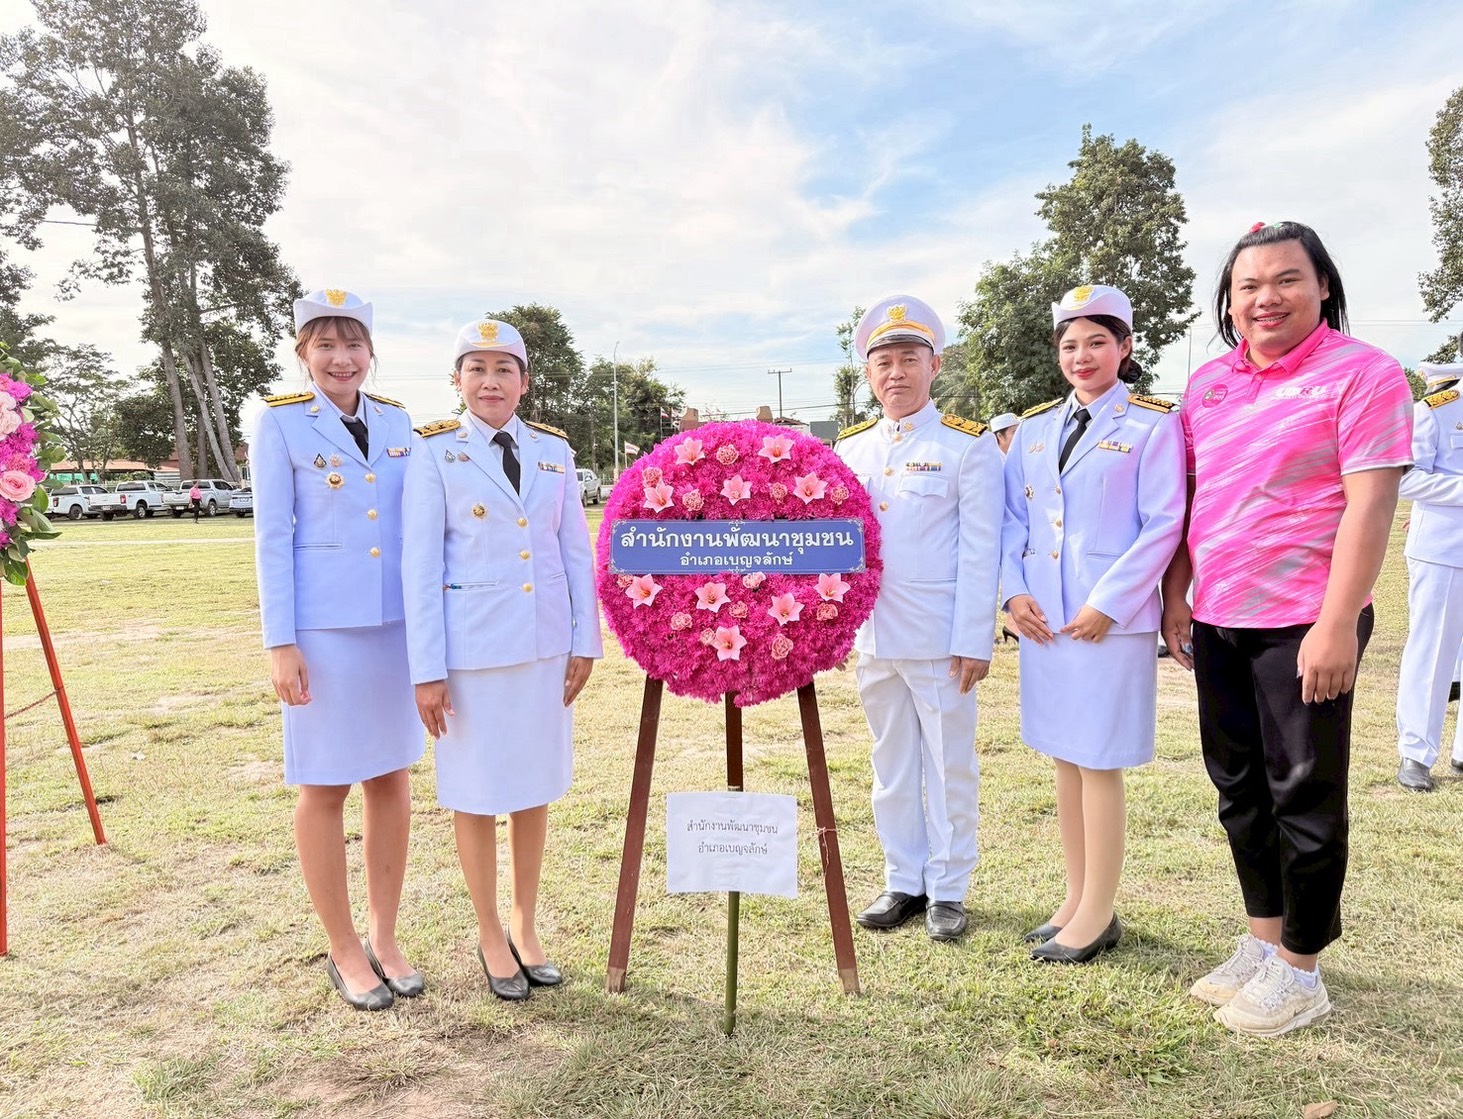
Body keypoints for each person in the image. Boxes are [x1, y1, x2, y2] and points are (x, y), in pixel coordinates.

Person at [1162, 222, 1413, 1036]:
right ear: (1229, 301)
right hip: (1218, 617)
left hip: (1305, 619)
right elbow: (1192, 499)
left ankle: (1301, 968)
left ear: (1322, 285)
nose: (1265, 298)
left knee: (1302, 791)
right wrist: (1176, 594)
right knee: (1237, 789)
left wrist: (1337, 621)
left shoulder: (1363, 373)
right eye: (1248, 286)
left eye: (1285, 279)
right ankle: (1263, 939)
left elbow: (1370, 504)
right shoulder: (1207, 385)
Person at [402, 318, 602, 1001]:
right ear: (457, 380)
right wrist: (427, 670)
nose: (490, 381)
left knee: (533, 785)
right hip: (472, 654)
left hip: (543, 648)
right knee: (476, 791)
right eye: (477, 368)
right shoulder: (433, 451)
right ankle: (489, 930)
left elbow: (574, 550)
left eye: (504, 369)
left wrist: (585, 639)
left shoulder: (552, 450)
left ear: (524, 381)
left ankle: (524, 921)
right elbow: (420, 566)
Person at [251, 288, 424, 1012]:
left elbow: (418, 521)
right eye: (324, 344)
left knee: (391, 777)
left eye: (352, 343)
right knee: (324, 786)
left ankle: (384, 935)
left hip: (394, 628)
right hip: (322, 633)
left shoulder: (399, 421)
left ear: (370, 351)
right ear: (303, 353)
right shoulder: (280, 423)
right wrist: (281, 642)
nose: (341, 358)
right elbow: (272, 539)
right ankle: (344, 946)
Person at [1000, 284, 1185, 964]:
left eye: (1097, 342)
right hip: (1045, 620)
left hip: (1105, 621)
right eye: (1070, 345)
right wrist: (1013, 595)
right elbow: (1011, 521)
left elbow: (1164, 522)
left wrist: (1110, 601)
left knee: (1099, 760)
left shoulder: (1151, 425)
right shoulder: (1034, 429)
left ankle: (1099, 912)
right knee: (1064, 755)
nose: (1082, 356)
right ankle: (1075, 898)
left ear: (1124, 347)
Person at [834, 295, 1004, 942]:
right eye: (883, 362)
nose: (896, 372)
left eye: (909, 358)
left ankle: (949, 888)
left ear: (934, 365)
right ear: (868, 372)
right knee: (891, 764)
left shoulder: (966, 445)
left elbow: (980, 549)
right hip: (874, 634)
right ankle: (903, 878)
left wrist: (973, 637)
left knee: (949, 764)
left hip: (940, 638)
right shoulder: (850, 448)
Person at [1395, 361, 1463, 791]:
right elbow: (1406, 481)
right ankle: (1416, 754)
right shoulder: (1439, 408)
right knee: (1433, 652)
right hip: (1445, 549)